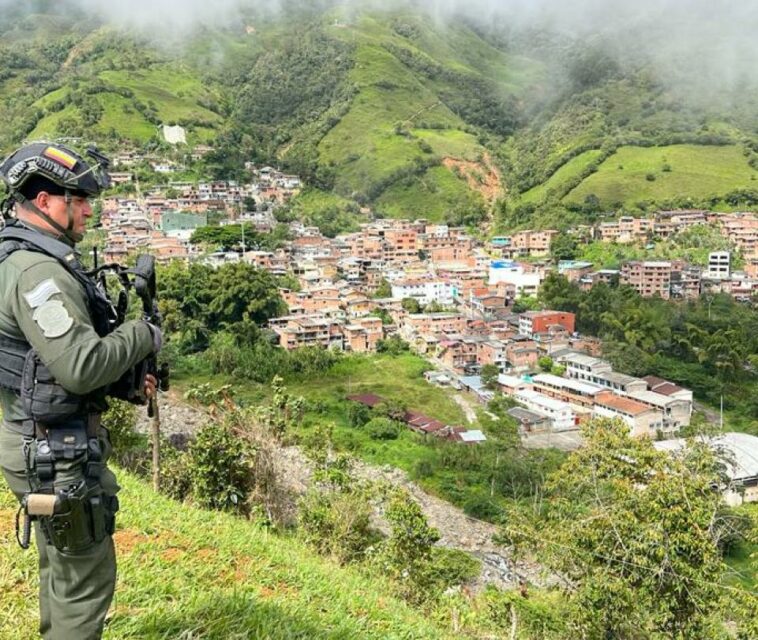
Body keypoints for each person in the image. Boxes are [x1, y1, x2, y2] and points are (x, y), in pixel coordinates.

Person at [0, 142, 161, 639]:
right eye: (80, 198)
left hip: (34, 438)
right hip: (54, 451)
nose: (89, 209)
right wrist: (143, 333)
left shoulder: (18, 255)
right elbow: (79, 367)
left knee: (62, 569)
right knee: (82, 585)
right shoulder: (38, 274)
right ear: (47, 201)